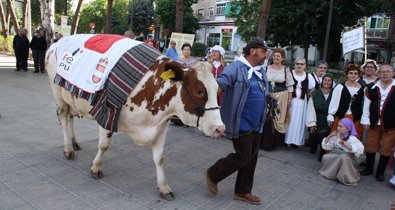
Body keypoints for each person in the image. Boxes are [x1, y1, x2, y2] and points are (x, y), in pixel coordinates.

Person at [205, 38, 269, 205]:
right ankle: (213, 173)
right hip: (241, 122)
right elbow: (221, 83)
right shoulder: (235, 68)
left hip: (258, 122)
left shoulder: (260, 71)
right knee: (243, 156)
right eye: (263, 51)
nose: (266, 54)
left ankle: (243, 191)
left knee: (252, 158)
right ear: (253, 51)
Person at [360, 64, 395, 181]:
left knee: (386, 148)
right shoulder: (371, 88)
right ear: (379, 74)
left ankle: (380, 172)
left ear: (393, 73)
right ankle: (369, 169)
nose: (384, 73)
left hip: (391, 125)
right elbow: (366, 106)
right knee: (370, 146)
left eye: (387, 71)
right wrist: (365, 120)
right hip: (373, 123)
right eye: (382, 71)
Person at [261, 48, 294, 150]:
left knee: (277, 118)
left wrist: (289, 100)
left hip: (281, 96)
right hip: (267, 96)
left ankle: (272, 144)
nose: (276, 57)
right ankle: (262, 143)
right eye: (274, 56)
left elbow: (290, 87)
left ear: (282, 58)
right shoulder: (266, 68)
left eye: (278, 56)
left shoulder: (286, 70)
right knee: (265, 117)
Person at [319, 118, 364, 186]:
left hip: (348, 159)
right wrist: (330, 135)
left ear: (347, 129)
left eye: (341, 126)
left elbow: (361, 148)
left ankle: (347, 176)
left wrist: (347, 145)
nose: (338, 128)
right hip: (337, 155)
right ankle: (333, 174)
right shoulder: (336, 136)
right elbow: (326, 146)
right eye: (338, 126)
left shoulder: (352, 138)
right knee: (326, 156)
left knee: (343, 157)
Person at [327, 64, 364, 139]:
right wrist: (330, 115)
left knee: (352, 139)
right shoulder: (340, 87)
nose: (353, 75)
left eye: (355, 73)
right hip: (341, 116)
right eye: (350, 73)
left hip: (355, 117)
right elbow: (334, 102)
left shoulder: (363, 88)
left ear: (358, 75)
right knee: (336, 137)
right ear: (346, 74)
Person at [285, 58, 315, 149]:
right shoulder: (290, 73)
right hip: (291, 100)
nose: (299, 65)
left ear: (305, 65)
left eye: (302, 64)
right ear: (294, 64)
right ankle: (286, 140)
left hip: (302, 102)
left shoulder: (308, 76)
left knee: (299, 121)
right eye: (297, 63)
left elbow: (312, 88)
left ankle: (295, 142)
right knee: (289, 119)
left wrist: (305, 94)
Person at [306, 73, 334, 161]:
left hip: (327, 118)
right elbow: (310, 108)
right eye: (325, 80)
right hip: (316, 116)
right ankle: (313, 146)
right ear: (322, 81)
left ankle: (322, 153)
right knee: (313, 138)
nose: (327, 82)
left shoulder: (334, 93)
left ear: (332, 82)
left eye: (329, 80)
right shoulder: (315, 93)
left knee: (323, 137)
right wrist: (312, 122)